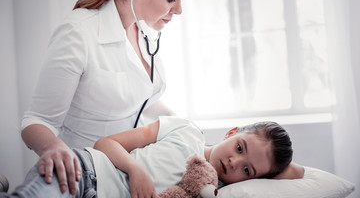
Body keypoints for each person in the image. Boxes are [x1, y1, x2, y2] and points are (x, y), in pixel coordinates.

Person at [20, 0, 193, 195]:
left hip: (122, 175)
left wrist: (184, 128)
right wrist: (52, 147)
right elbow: (36, 120)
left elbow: (144, 98)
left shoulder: (143, 31)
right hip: (79, 176)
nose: (179, 9)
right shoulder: (79, 33)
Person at [1, 117, 305, 198]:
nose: (234, 164)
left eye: (248, 170)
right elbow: (106, 142)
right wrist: (135, 169)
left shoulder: (212, 192)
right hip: (85, 173)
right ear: (232, 131)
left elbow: (298, 174)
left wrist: (275, 169)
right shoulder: (187, 131)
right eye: (240, 148)